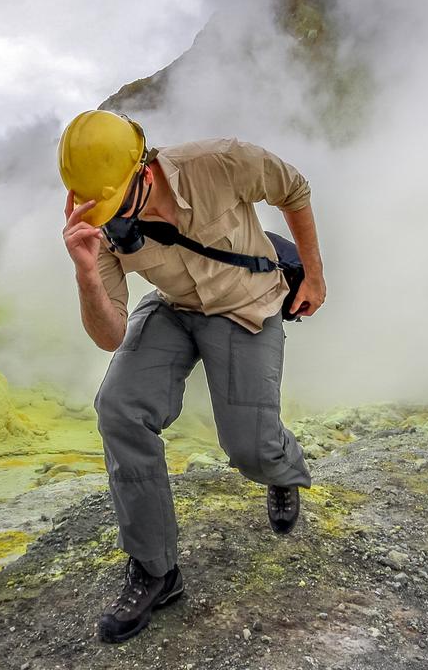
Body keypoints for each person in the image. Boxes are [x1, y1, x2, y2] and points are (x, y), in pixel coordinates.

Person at [58, 109, 327, 644]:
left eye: (114, 202)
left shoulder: (219, 162)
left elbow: (293, 188)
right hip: (175, 307)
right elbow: (109, 335)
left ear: (145, 171)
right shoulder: (96, 219)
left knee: (249, 446)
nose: (105, 215)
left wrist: (315, 275)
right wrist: (87, 268)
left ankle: (280, 470)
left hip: (247, 305)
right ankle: (156, 570)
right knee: (120, 408)